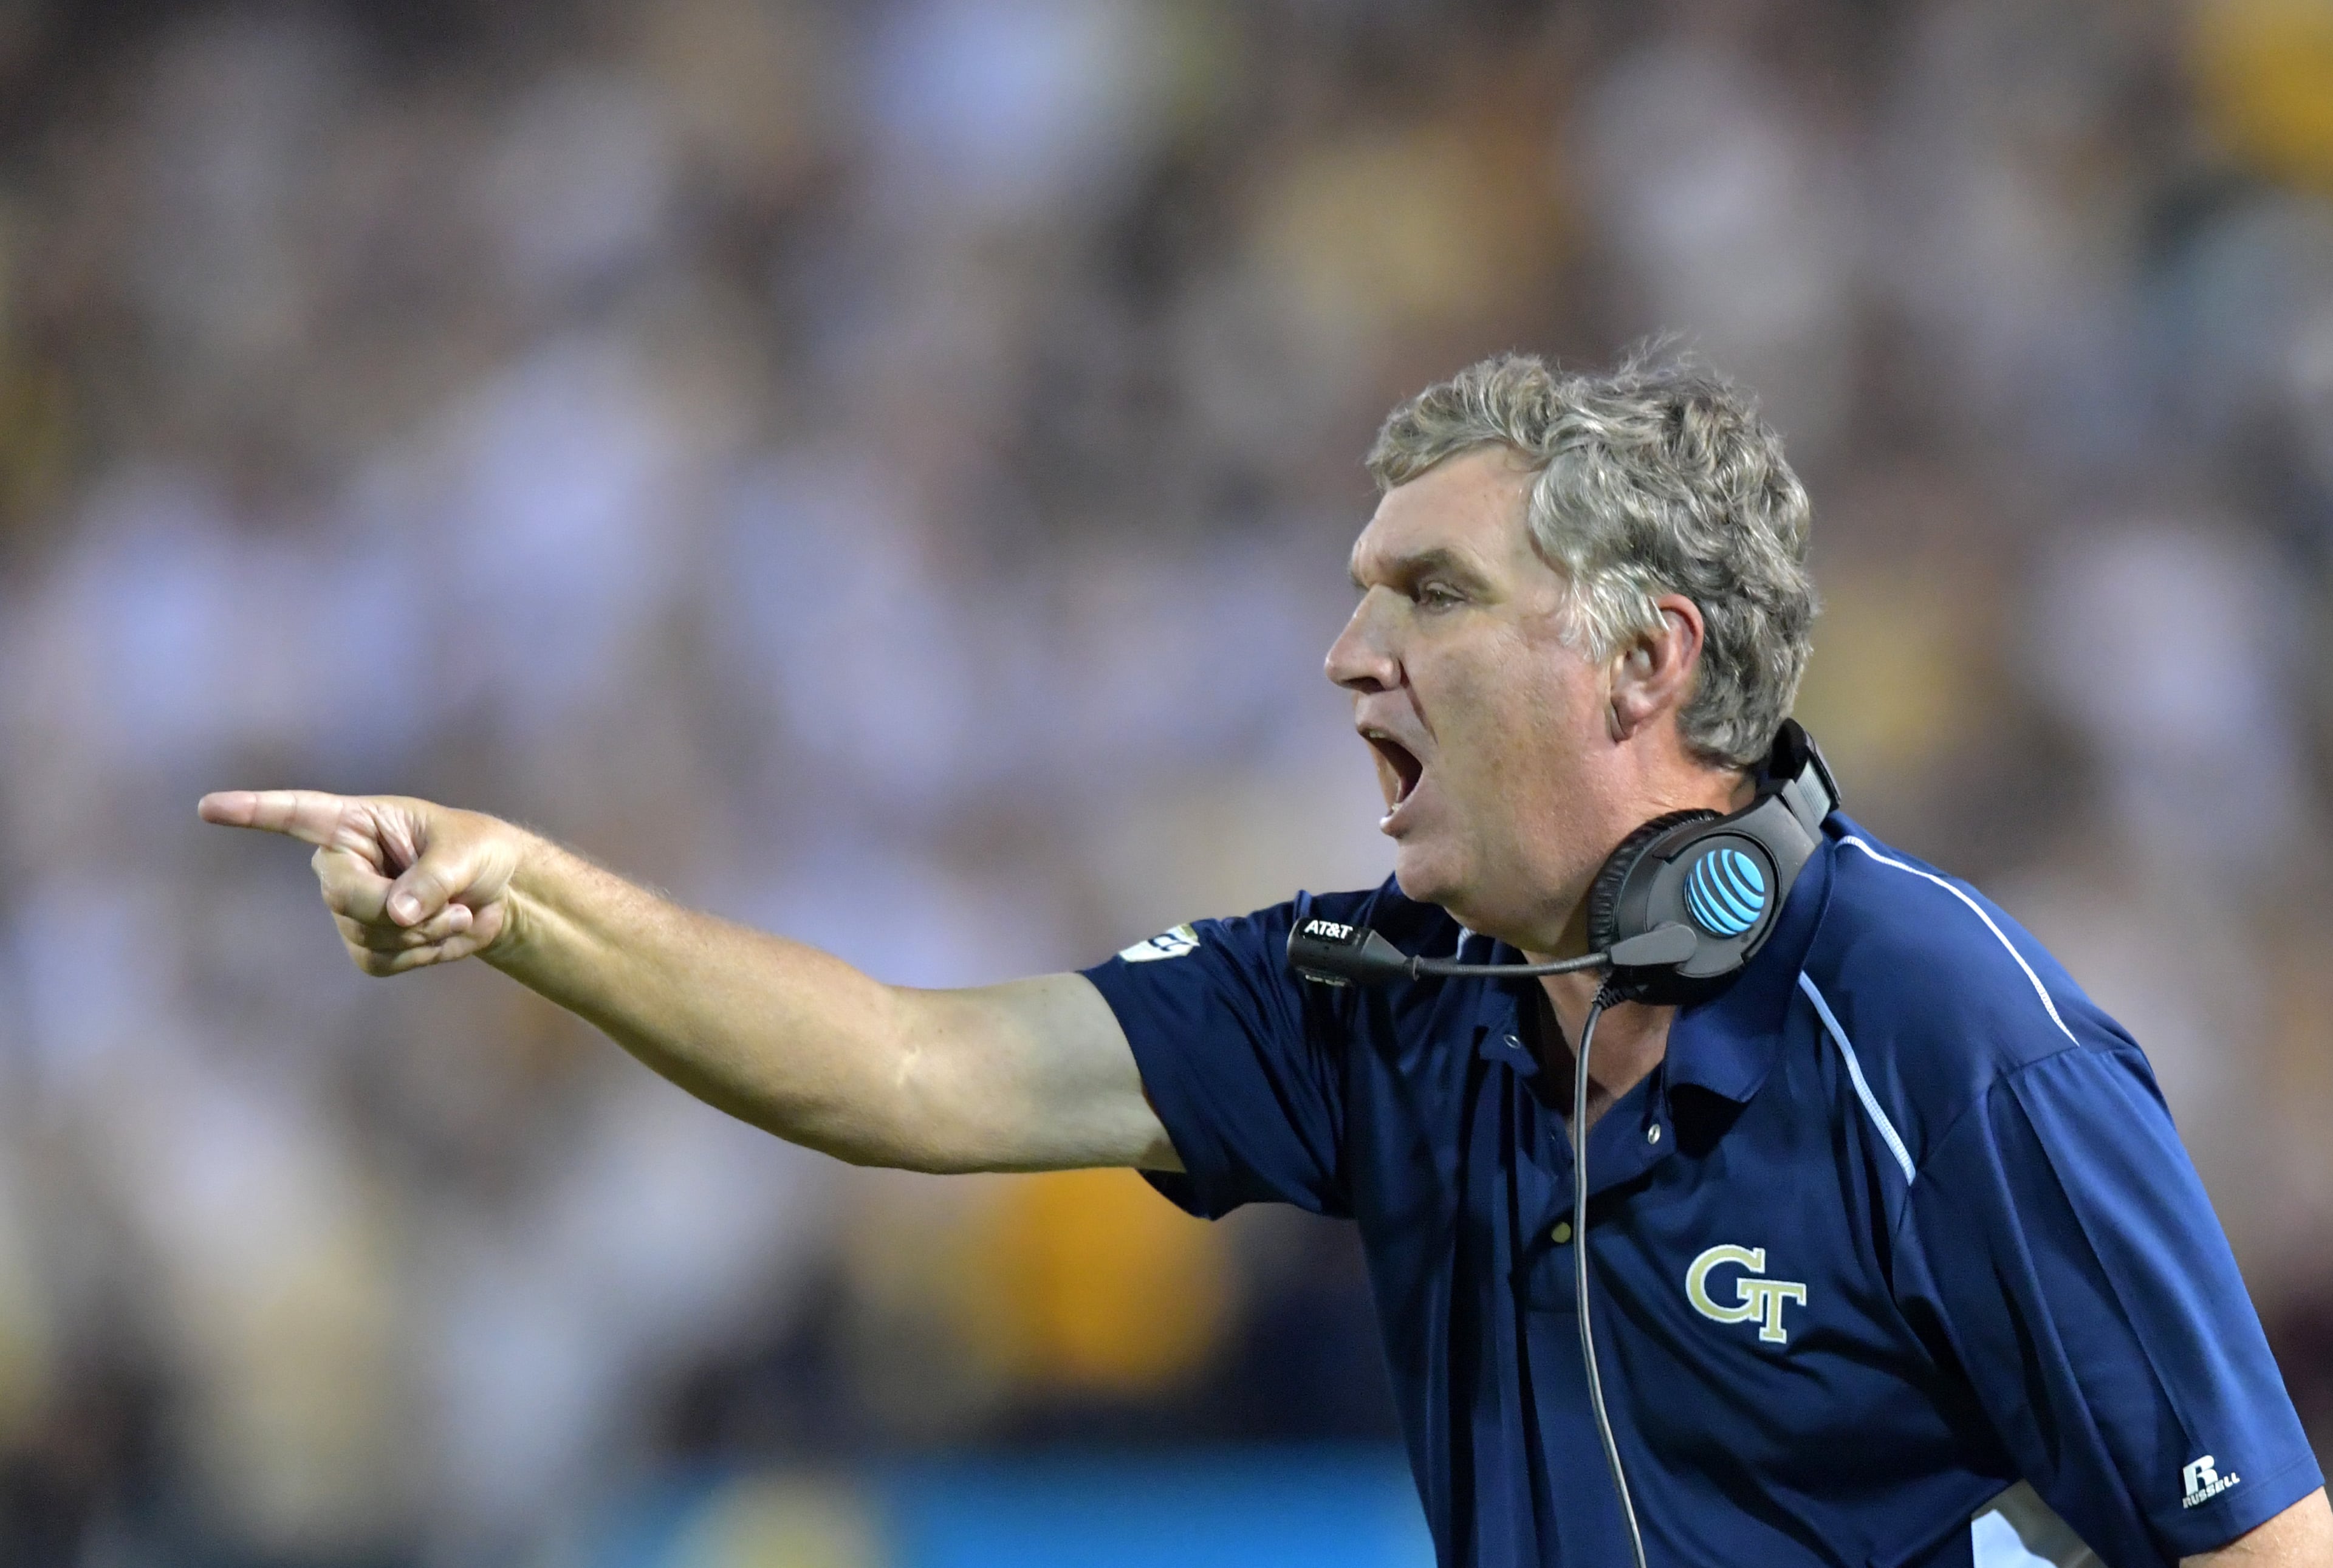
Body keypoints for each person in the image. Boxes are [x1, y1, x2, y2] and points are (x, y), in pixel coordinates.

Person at [202, 349, 2332, 1567]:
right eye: (1355, 592)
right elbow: (906, 1072)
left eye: (1428, 593)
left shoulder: (1951, 1034)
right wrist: (530, 899)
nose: (1346, 656)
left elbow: (2260, 1556)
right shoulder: (1382, 992)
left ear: (1644, 659)